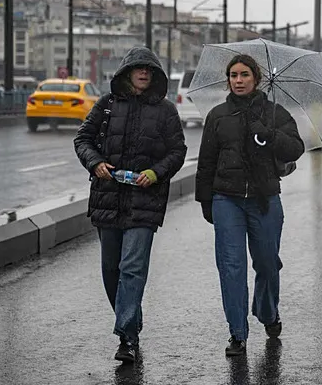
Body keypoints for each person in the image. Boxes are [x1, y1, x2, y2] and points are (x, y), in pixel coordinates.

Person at [73, 46, 187, 364]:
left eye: (149, 69)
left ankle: (126, 338)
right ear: (126, 72)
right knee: (111, 269)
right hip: (107, 198)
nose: (144, 73)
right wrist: (95, 162)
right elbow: (82, 139)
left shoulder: (165, 111)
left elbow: (178, 151)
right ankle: (131, 322)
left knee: (132, 269)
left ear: (155, 76)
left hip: (144, 201)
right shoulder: (106, 105)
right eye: (139, 68)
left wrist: (156, 172)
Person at [195, 54, 304, 357]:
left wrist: (268, 133)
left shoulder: (274, 113)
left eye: (244, 74)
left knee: (268, 264)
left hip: (264, 198)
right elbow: (206, 162)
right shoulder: (217, 116)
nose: (238, 80)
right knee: (231, 267)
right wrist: (206, 200)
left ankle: (268, 312)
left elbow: (297, 147)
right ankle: (237, 333)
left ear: (256, 78)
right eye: (233, 75)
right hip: (225, 199)